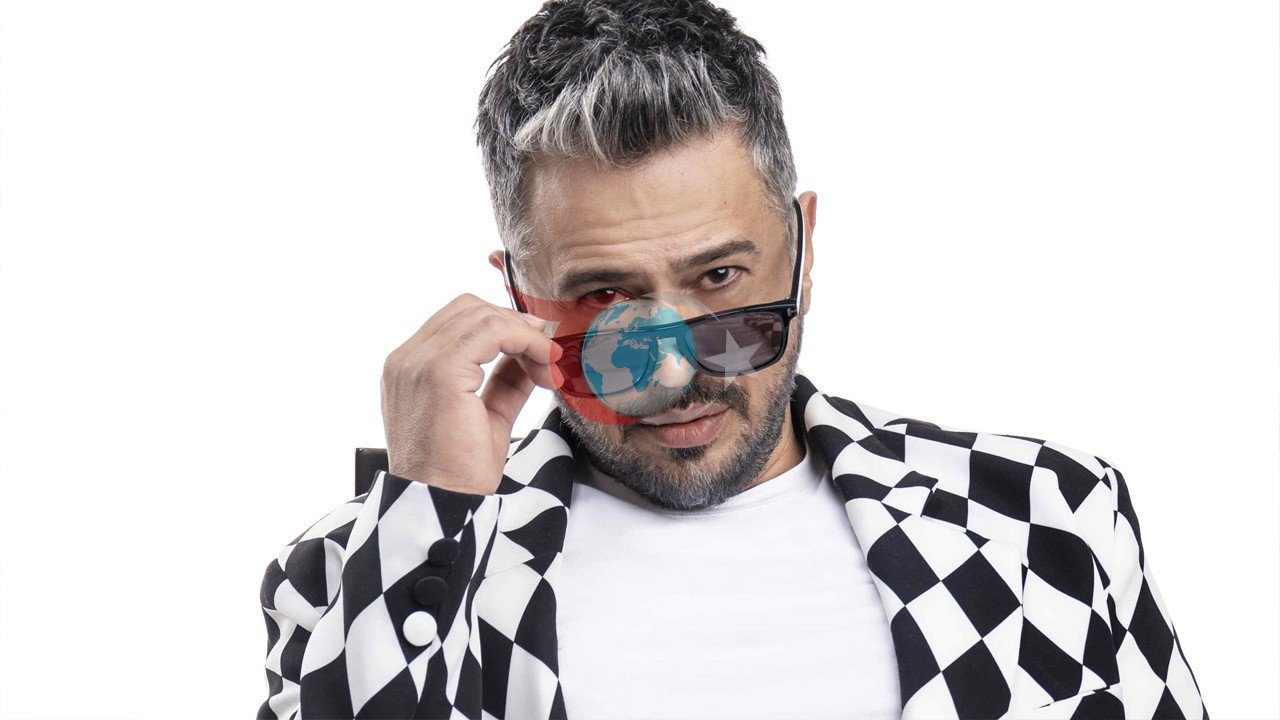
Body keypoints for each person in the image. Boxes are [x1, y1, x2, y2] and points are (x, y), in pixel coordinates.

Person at [257, 1, 1207, 718]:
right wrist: (426, 507)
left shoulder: (1045, 518)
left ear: (802, 247)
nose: (672, 371)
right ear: (516, 297)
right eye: (604, 300)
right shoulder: (355, 571)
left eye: (719, 278)